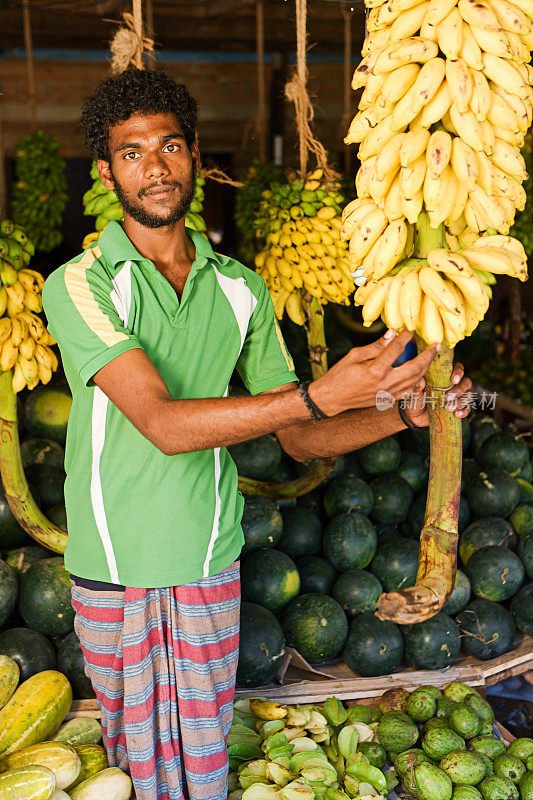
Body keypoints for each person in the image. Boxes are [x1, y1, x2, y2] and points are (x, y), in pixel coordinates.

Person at [42, 68, 472, 800]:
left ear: (195, 155)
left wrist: (401, 412)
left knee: (205, 759)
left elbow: (302, 437)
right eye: (133, 152)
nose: (155, 166)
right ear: (108, 169)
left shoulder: (240, 285)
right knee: (136, 770)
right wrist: (313, 392)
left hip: (209, 555)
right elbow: (161, 425)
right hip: (115, 564)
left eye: (170, 146)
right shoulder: (79, 283)